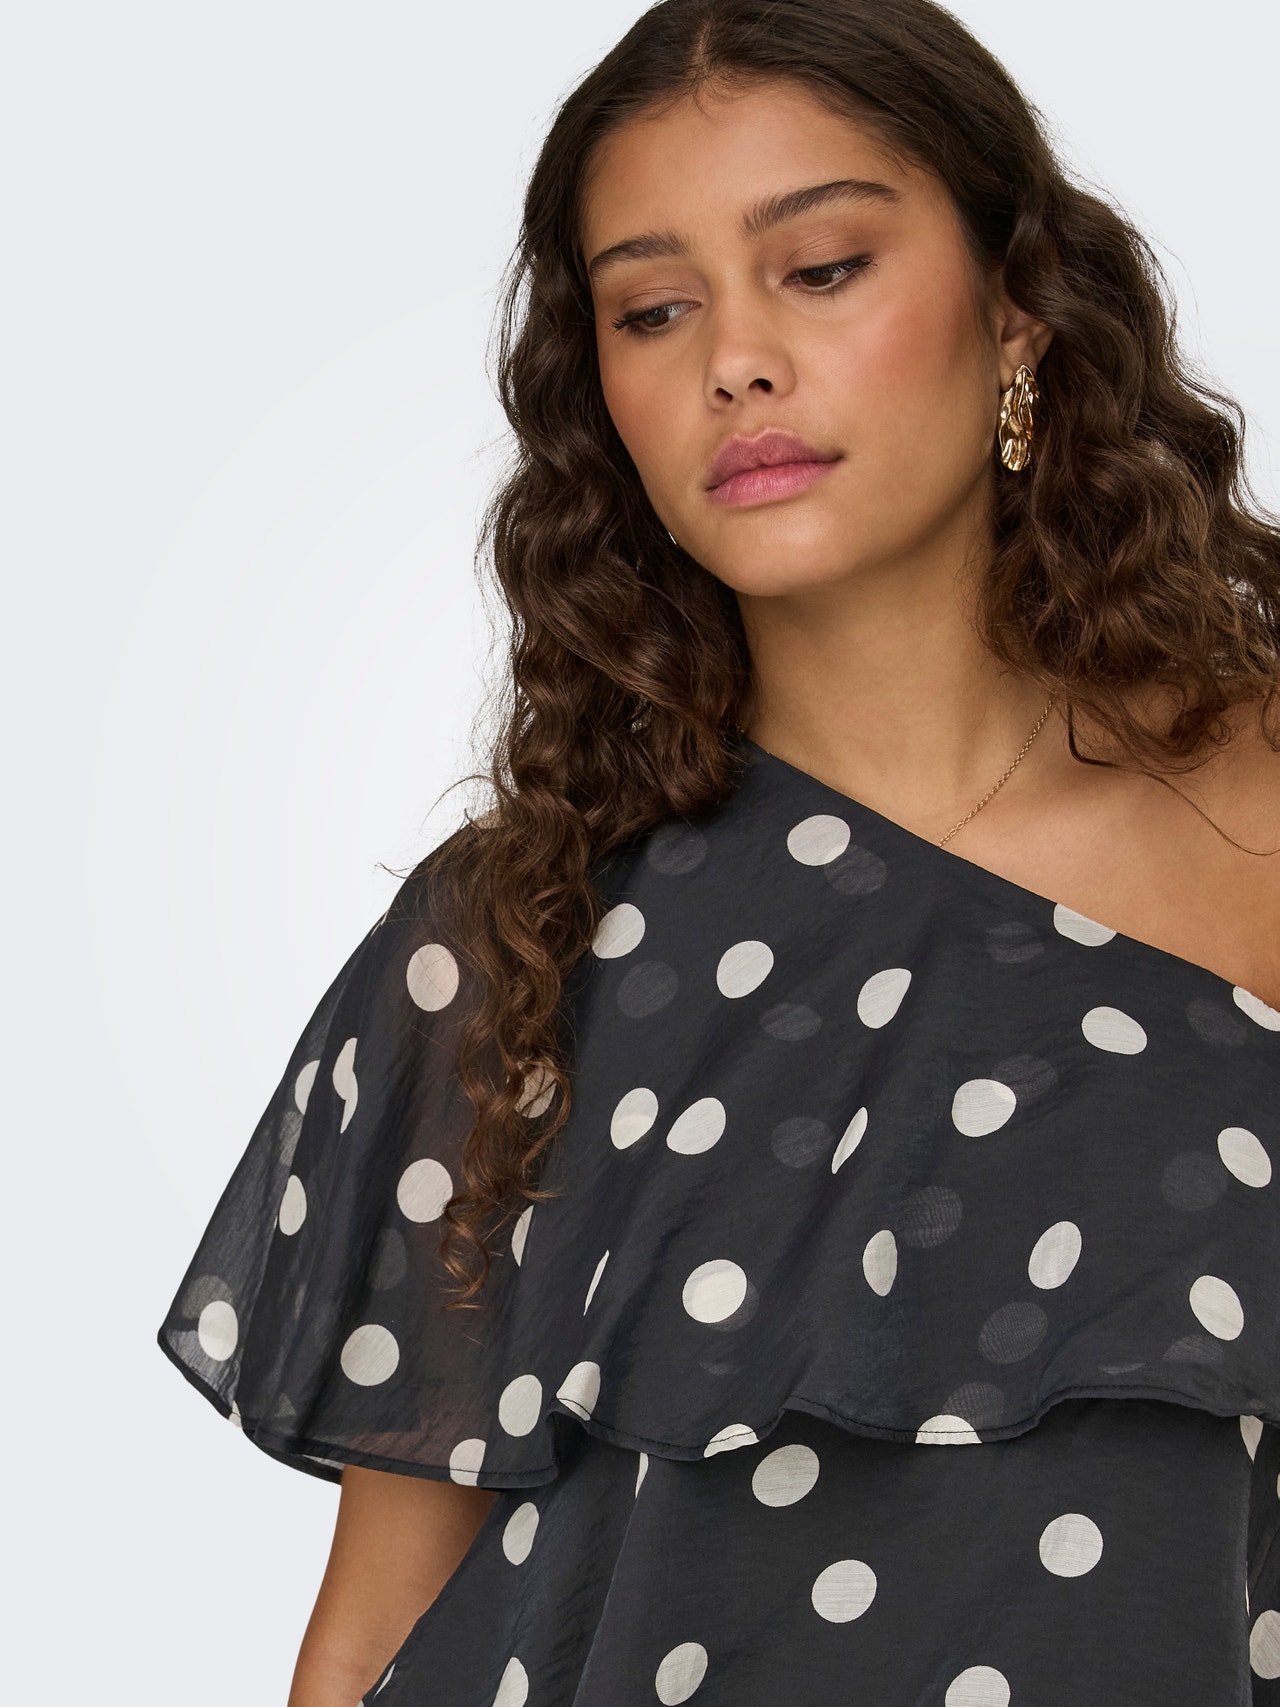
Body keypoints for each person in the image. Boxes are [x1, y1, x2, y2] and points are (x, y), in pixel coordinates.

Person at [156, 0, 1280, 1702]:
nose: (734, 362)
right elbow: (382, 1624)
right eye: (654, 310)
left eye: (820, 268)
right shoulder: (513, 941)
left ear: (1020, 312)